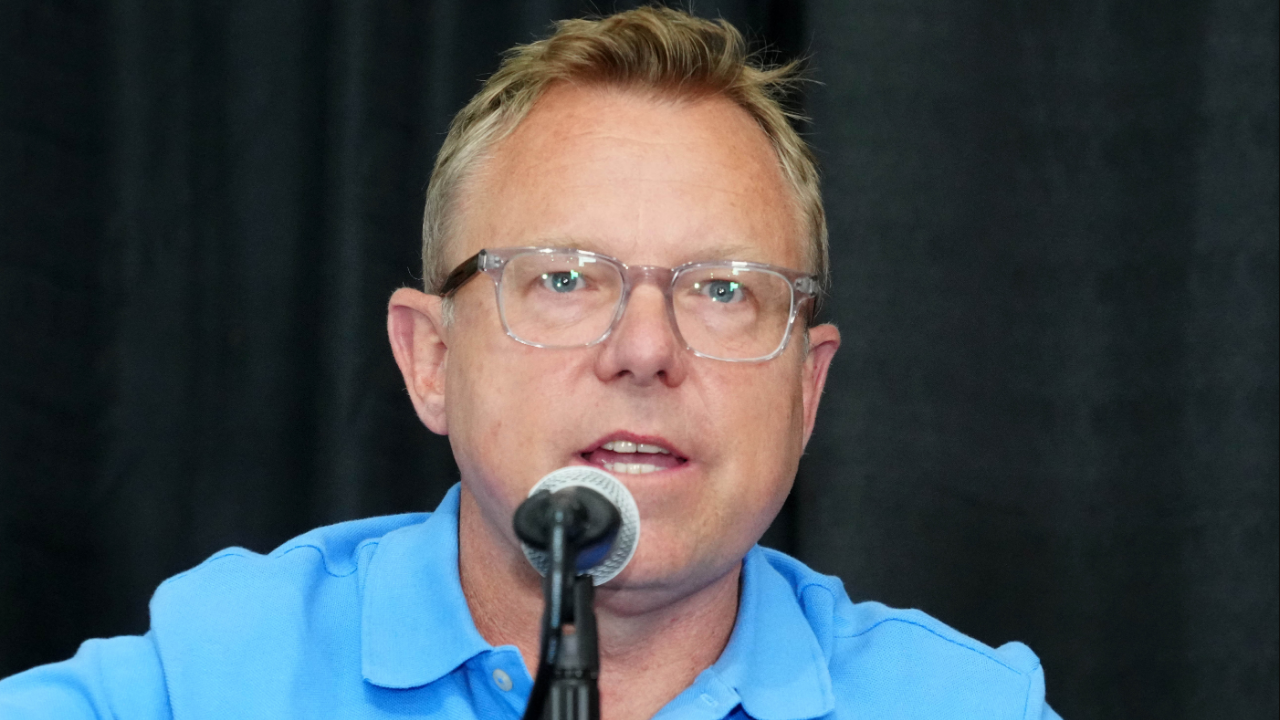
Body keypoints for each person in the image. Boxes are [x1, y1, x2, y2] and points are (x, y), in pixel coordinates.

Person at [0, 7, 1061, 719]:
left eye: (722, 290)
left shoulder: (960, 705)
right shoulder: (217, 673)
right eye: (563, 280)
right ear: (428, 358)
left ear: (807, 389)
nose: (644, 349)